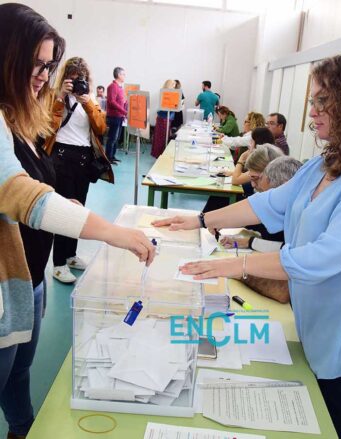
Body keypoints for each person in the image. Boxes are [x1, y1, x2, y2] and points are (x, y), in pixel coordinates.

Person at [152, 53, 341, 439]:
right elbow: (268, 203)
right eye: (312, 101)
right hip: (313, 318)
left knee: (327, 421)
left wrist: (235, 265)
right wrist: (199, 221)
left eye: (321, 102)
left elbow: (323, 257)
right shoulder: (327, 163)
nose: (311, 112)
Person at [0, 4, 155, 439]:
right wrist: (113, 233)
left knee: (19, 373)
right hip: (6, 285)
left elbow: (37, 183)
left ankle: (21, 428)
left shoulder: (19, 117)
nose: (42, 75)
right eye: (34, 63)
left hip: (28, 278)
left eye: (48, 66)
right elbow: (20, 193)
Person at [45, 57, 110, 284]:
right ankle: (59, 263)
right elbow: (47, 128)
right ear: (65, 79)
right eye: (72, 79)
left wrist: (88, 103)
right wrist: (61, 97)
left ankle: (71, 255)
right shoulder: (55, 97)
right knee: (64, 210)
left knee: (79, 210)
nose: (76, 84)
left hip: (84, 159)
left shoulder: (89, 99)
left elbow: (101, 127)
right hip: (61, 157)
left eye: (80, 79)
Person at [220, 156, 302, 304]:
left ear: (284, 188)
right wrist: (250, 242)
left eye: (267, 196)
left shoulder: (303, 223)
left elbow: (283, 291)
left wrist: (238, 269)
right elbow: (283, 247)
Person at [105, 66, 127, 163]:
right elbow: (111, 102)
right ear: (118, 75)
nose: (125, 76)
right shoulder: (112, 86)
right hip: (114, 116)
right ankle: (108, 158)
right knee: (112, 138)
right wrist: (124, 112)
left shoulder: (120, 87)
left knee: (116, 138)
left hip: (120, 116)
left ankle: (112, 156)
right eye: (123, 74)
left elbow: (122, 101)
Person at [151, 79, 176, 158]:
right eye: (173, 86)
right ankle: (160, 155)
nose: (174, 87)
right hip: (163, 118)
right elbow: (164, 107)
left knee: (163, 137)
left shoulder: (166, 93)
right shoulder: (165, 94)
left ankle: (160, 154)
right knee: (161, 138)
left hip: (166, 118)